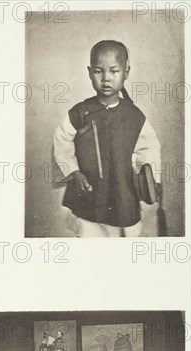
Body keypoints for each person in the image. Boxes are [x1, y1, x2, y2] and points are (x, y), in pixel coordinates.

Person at [53, 40, 161, 237]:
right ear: (89, 72)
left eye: (114, 71)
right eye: (98, 71)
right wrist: (74, 171)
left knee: (123, 240)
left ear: (126, 72)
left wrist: (151, 182)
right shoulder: (80, 112)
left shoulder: (134, 116)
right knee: (90, 237)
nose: (106, 78)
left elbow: (149, 150)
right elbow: (62, 141)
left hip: (122, 193)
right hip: (89, 193)